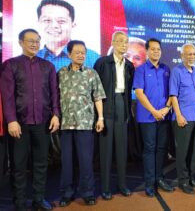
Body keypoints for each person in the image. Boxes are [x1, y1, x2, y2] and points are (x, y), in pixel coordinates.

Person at [0, 29, 60, 211]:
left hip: (43, 122)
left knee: (41, 163)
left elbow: (54, 93)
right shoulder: (10, 65)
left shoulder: (48, 66)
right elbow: (7, 96)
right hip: (19, 124)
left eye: (37, 40)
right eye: (30, 40)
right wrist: (11, 120)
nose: (34, 44)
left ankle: (38, 199)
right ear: (20, 42)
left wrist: (56, 114)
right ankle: (19, 203)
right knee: (18, 165)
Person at [58, 40, 106, 207]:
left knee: (86, 160)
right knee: (66, 161)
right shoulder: (61, 73)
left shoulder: (91, 73)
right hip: (65, 124)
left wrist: (100, 118)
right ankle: (66, 193)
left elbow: (98, 97)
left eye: (83, 52)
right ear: (69, 54)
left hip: (85, 124)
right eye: (77, 52)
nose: (81, 55)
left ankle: (87, 192)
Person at [94, 31, 135, 199]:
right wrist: (99, 115)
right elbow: (95, 88)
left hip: (122, 106)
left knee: (121, 150)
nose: (123, 44)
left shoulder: (129, 65)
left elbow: (129, 88)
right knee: (106, 151)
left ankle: (122, 185)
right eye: (119, 41)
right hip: (105, 107)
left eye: (126, 41)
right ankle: (105, 188)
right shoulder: (102, 62)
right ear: (112, 42)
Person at [133, 38, 174, 197]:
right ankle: (150, 183)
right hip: (148, 117)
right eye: (153, 49)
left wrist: (166, 108)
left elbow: (172, 91)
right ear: (147, 51)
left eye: (158, 49)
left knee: (162, 149)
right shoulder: (141, 69)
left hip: (164, 116)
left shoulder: (166, 69)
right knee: (149, 150)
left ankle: (160, 178)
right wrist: (154, 111)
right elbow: (139, 93)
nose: (156, 52)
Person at [169, 43, 195, 194]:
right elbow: (173, 95)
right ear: (182, 56)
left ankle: (189, 177)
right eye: (188, 54)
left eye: (194, 54)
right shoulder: (177, 71)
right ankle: (182, 181)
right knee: (183, 151)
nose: (192, 57)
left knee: (194, 151)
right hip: (183, 118)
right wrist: (179, 115)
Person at [36, 0, 99, 71]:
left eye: (61, 21)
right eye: (47, 20)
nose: (54, 26)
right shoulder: (33, 57)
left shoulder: (92, 57)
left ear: (73, 25)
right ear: (38, 23)